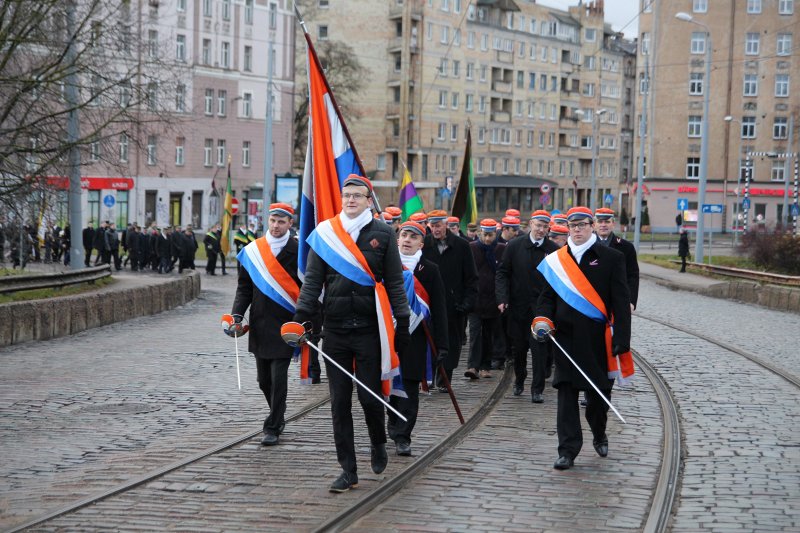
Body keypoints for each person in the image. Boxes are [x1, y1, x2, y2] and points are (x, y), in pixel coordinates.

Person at [293, 175, 410, 493]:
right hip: (335, 331)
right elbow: (312, 282)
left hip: (370, 329)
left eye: (357, 196)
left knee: (370, 397)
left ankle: (377, 442)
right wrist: (301, 317)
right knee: (339, 402)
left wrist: (402, 315)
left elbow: (395, 282)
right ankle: (348, 469)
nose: (350, 200)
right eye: (346, 195)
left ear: (369, 200)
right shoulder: (326, 234)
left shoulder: (383, 234)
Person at [534, 206, 631, 470]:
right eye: (572, 225)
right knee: (565, 393)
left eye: (582, 225)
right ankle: (567, 450)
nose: (577, 230)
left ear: (592, 225)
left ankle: (599, 432)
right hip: (565, 339)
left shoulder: (611, 258)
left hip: (598, 341)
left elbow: (621, 302)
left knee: (598, 398)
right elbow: (546, 298)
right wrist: (542, 320)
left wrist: (622, 338)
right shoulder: (557, 260)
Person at [230, 204, 302, 446]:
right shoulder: (253, 252)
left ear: (290, 223)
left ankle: (272, 426)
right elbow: (244, 289)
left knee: (279, 378)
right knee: (264, 381)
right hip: (260, 324)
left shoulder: (299, 251)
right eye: (272, 220)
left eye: (281, 222)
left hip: (286, 326)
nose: (276, 225)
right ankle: (278, 414)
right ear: (267, 221)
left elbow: (308, 288)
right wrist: (237, 316)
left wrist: (308, 322)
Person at [388, 220, 448, 456]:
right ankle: (392, 423)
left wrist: (443, 344)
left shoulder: (430, 269)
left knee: (410, 387)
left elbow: (440, 307)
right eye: (404, 235)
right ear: (397, 238)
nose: (407, 240)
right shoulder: (387, 265)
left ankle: (403, 435)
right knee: (390, 384)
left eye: (413, 237)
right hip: (389, 335)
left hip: (416, 338)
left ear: (421, 242)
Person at [496, 210, 558, 402]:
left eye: (544, 227)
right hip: (518, 306)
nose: (540, 230)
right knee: (520, 349)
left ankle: (537, 389)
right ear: (530, 224)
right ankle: (519, 379)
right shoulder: (514, 246)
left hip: (542, 309)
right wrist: (502, 298)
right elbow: (503, 273)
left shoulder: (554, 249)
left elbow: (558, 280)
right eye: (538, 225)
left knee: (539, 349)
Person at [422, 209, 478, 391]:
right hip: (429, 303)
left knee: (452, 343)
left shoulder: (462, 246)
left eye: (438, 225)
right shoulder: (424, 245)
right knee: (428, 340)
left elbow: (471, 277)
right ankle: (428, 376)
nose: (435, 229)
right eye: (432, 226)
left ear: (446, 225)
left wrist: (466, 303)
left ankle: (445, 378)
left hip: (453, 305)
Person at [465, 219, 506, 379]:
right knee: (475, 334)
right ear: (480, 233)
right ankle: (472, 366)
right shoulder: (472, 248)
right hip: (476, 300)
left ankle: (485, 365)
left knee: (489, 334)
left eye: (491, 235)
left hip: (494, 300)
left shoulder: (501, 249)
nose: (488, 239)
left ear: (495, 234)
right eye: (485, 235)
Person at [594, 208, 639, 311]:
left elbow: (632, 276)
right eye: (600, 221)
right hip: (591, 301)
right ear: (594, 224)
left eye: (607, 222)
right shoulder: (586, 246)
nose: (603, 225)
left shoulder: (626, 247)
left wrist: (631, 301)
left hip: (618, 300)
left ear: (613, 224)